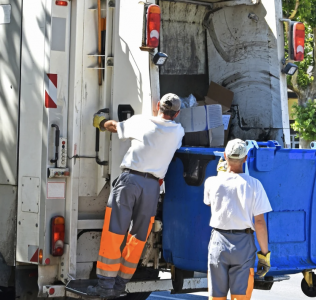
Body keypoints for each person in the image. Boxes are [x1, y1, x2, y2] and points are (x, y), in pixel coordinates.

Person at [87, 94, 185, 298]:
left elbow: (115, 127)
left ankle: (105, 285)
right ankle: (121, 284)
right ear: (177, 113)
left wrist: (101, 121)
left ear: (157, 106)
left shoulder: (142, 121)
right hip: (152, 187)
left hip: (130, 181)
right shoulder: (178, 132)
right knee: (138, 236)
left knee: (114, 232)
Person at [203, 139, 272, 300]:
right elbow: (260, 222)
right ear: (246, 158)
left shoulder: (212, 182)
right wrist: (264, 254)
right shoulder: (255, 185)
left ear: (225, 156)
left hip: (218, 241)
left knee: (216, 296)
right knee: (240, 296)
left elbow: (209, 203)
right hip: (244, 244)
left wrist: (222, 174)